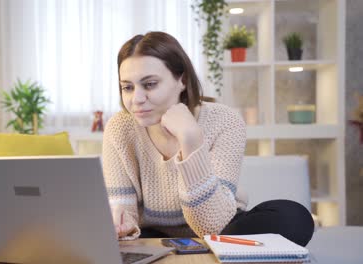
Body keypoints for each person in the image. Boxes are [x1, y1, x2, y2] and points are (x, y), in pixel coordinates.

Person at [102, 31, 314, 247]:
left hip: (221, 225)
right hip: (153, 234)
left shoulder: (225, 120)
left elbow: (211, 225)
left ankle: (195, 251)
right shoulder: (119, 128)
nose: (136, 99)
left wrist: (190, 140)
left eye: (150, 84)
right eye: (127, 87)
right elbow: (125, 212)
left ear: (182, 80)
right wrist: (122, 223)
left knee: (294, 217)